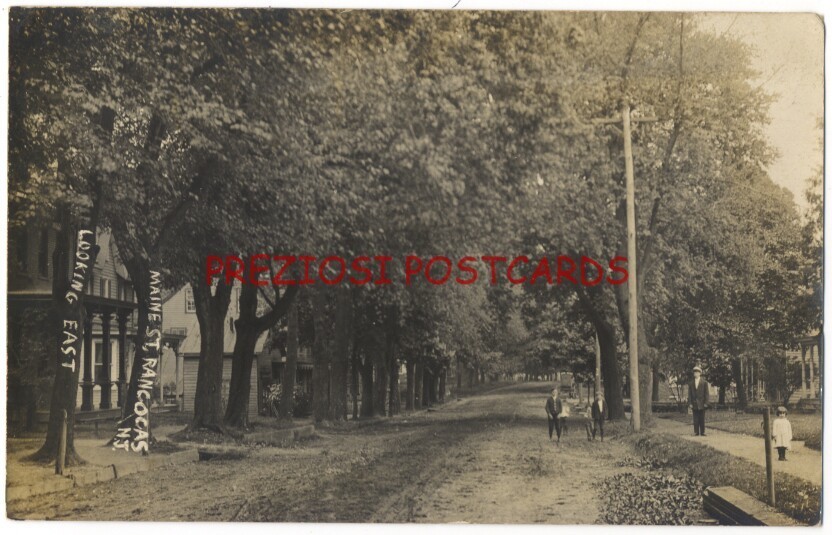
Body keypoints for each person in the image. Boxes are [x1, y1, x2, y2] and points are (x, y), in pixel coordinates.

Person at [688, 365, 710, 436]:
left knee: (702, 418)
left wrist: (706, 403)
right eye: (694, 372)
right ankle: (696, 432)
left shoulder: (704, 382)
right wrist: (690, 403)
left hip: (702, 403)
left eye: (697, 372)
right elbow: (689, 394)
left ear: (700, 373)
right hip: (694, 403)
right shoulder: (691, 383)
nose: (695, 374)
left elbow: (706, 393)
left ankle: (702, 432)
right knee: (695, 418)